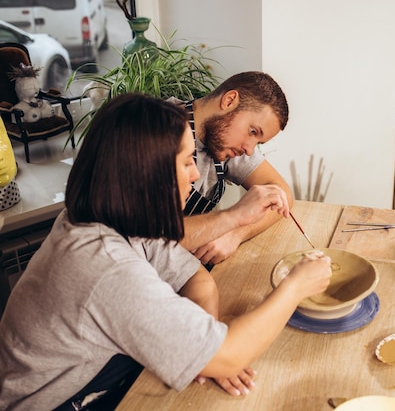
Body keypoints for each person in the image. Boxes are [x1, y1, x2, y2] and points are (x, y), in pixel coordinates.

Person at [0, 93, 332, 410]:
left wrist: (200, 349)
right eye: (187, 161)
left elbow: (197, 280)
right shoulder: (106, 267)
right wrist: (295, 287)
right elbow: (231, 354)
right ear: (150, 172)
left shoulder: (119, 219)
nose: (193, 175)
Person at [179, 71, 294, 267]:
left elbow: (282, 194)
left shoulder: (222, 140)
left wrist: (234, 234)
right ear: (230, 100)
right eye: (252, 131)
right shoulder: (159, 133)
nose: (249, 150)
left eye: (258, 141)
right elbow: (152, 238)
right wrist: (231, 220)